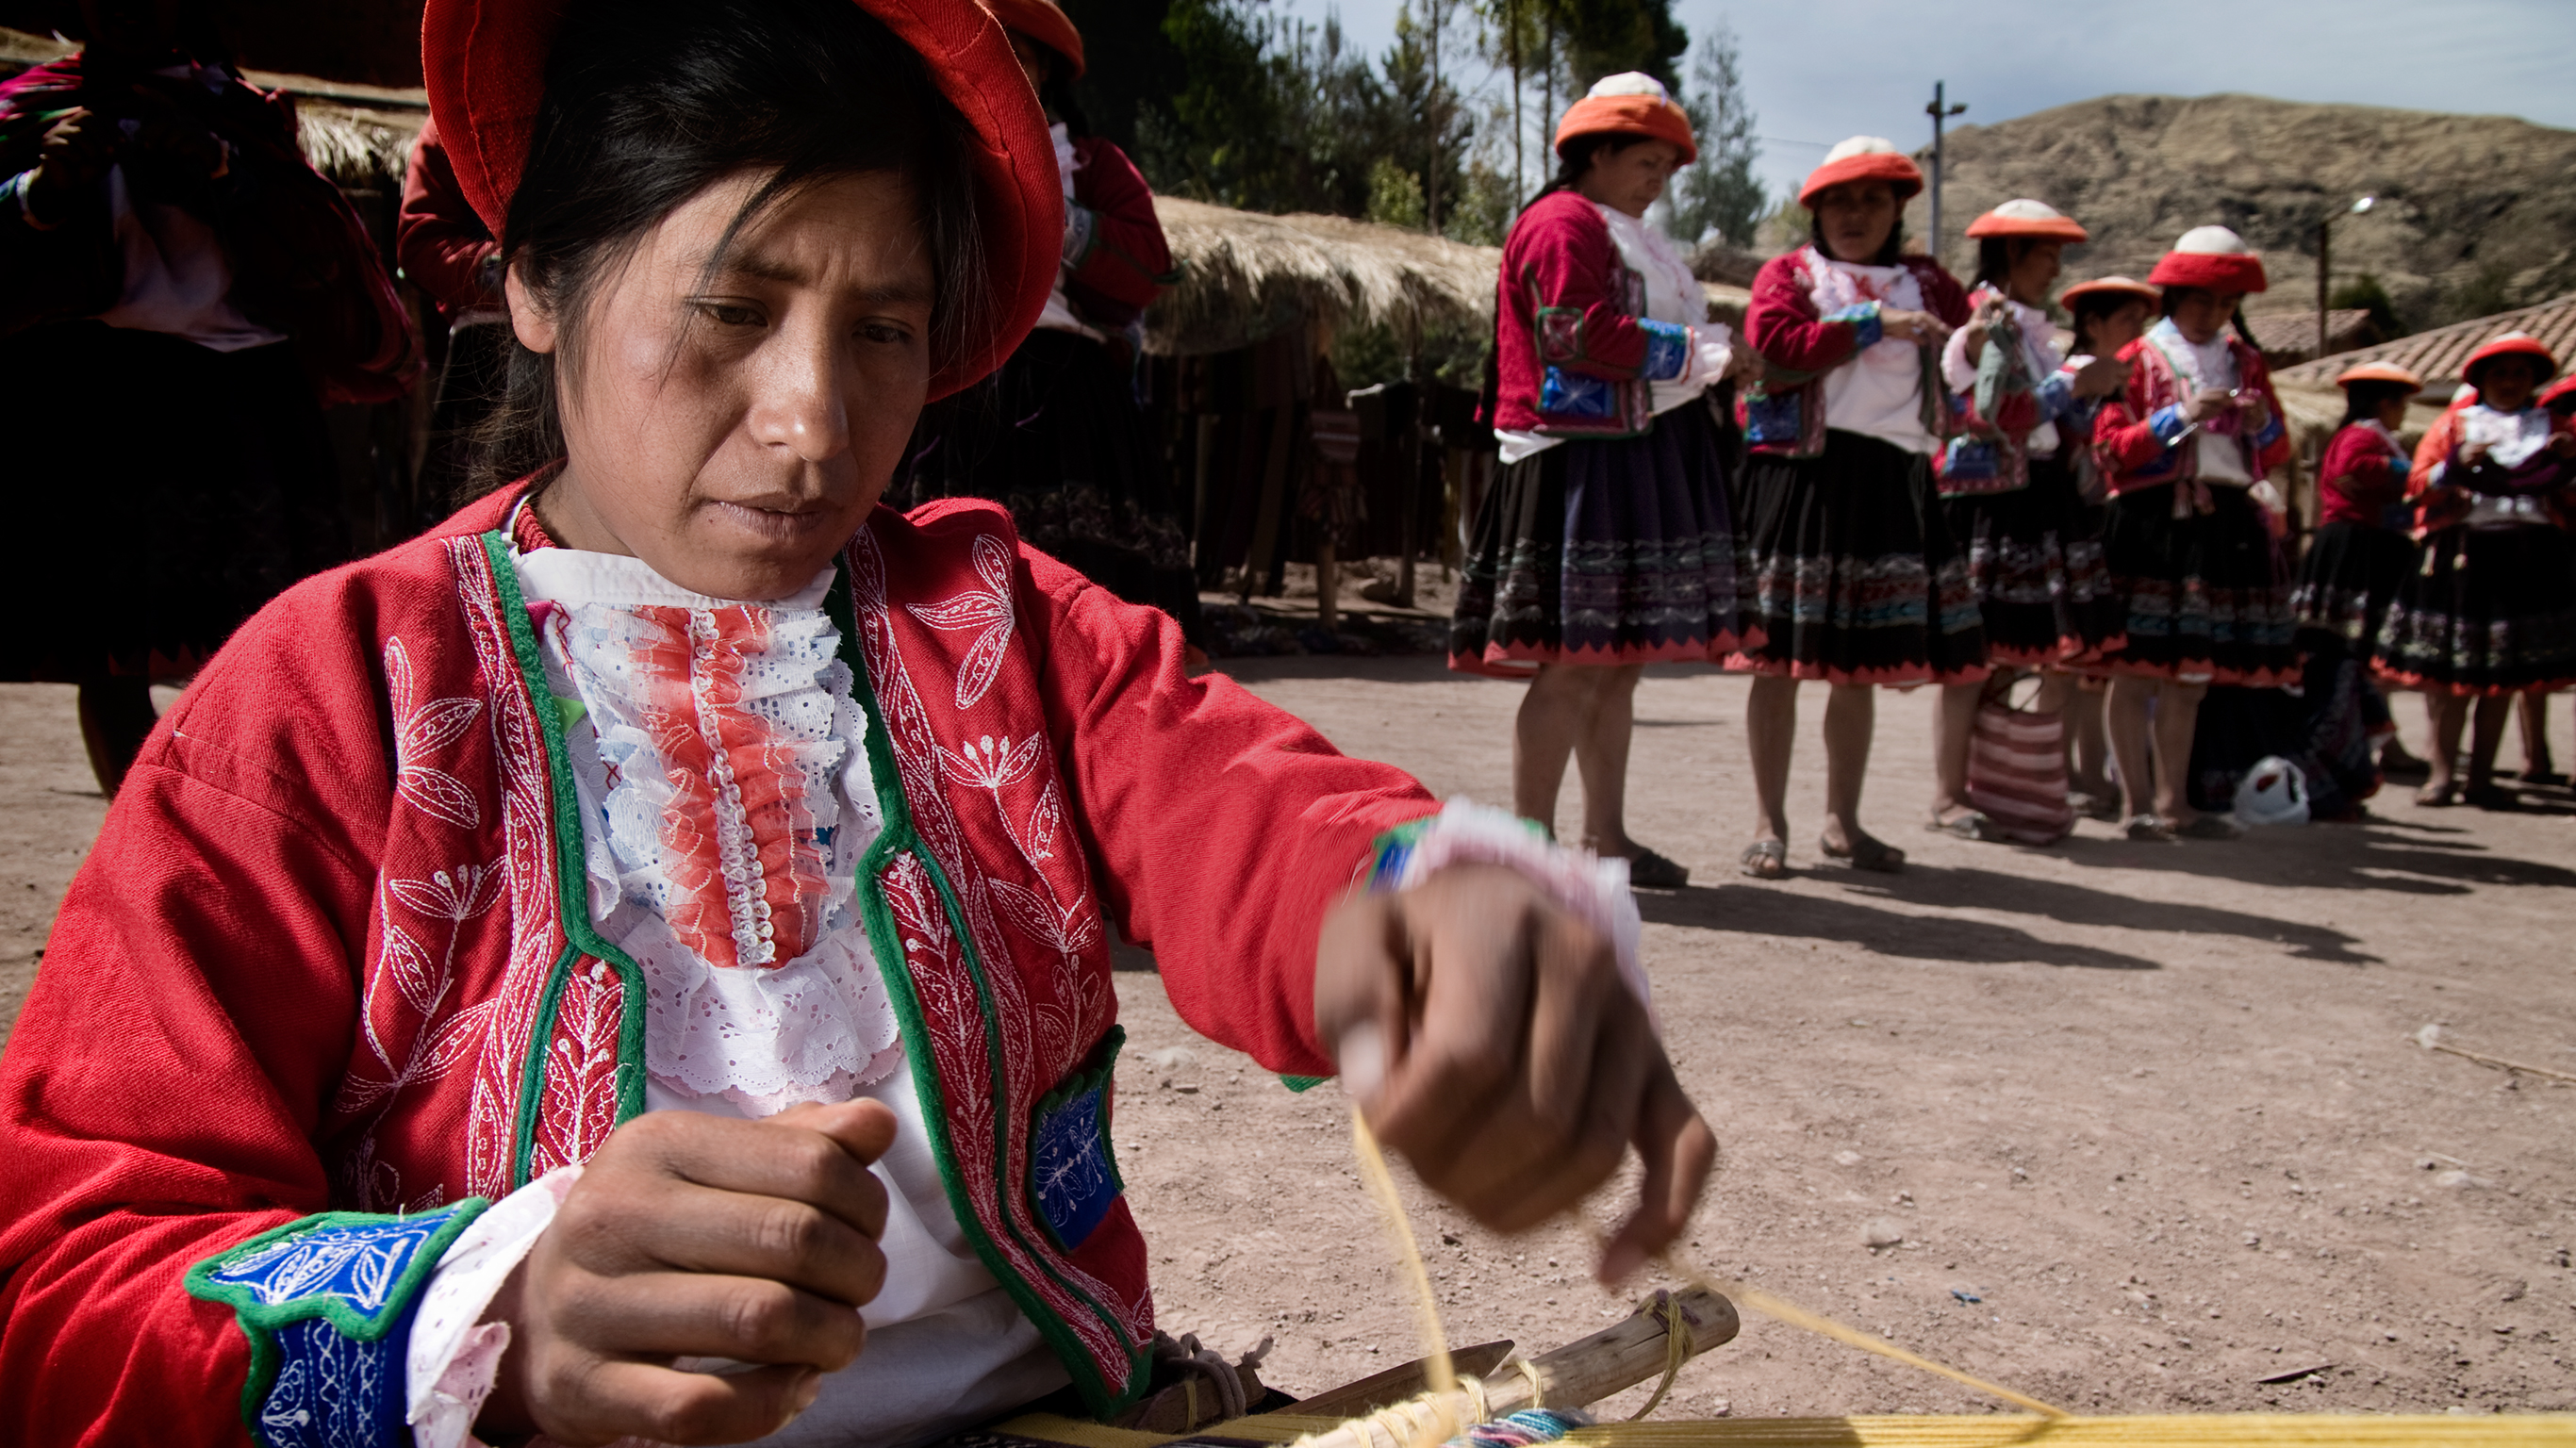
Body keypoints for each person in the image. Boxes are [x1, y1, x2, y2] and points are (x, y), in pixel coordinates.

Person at [0, 4, 1718, 1446]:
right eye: (733, 312)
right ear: (534, 283)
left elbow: (1249, 808)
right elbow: (65, 1268)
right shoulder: (337, 694)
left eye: (882, 329)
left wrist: (1432, 928)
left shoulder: (996, 627)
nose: (816, 421)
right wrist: (490, 1309)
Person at [0, 0, 416, 795]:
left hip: (238, 402)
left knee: (261, 639)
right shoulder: (33, 110)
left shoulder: (240, 116)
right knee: (112, 646)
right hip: (92, 399)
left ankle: (241, 825)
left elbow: (318, 254)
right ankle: (143, 840)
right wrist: (39, 192)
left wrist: (223, 173)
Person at [1450, 74, 1741, 888]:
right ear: (1597, 154)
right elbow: (1574, 333)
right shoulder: (1562, 222)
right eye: (1645, 162)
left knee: (1618, 658)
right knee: (1575, 659)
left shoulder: (1627, 233)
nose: (1658, 180)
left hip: (1632, 450)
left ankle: (1605, 836)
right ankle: (1528, 848)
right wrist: (1703, 353)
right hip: (1575, 459)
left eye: (1666, 168)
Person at [898, 0, 1203, 650]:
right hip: (953, 383)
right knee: (934, 582)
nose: (1001, 69)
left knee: (1084, 595)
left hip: (1066, 394)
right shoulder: (917, 148)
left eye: (1019, 56)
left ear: (1043, 74)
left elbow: (1150, 267)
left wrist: (1053, 211)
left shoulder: (1094, 166)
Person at [1728, 136, 1981, 878]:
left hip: (1890, 481)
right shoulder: (1791, 275)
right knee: (1775, 662)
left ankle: (1844, 820)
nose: (1854, 213)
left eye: (1873, 199)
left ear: (1900, 208)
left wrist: (1980, 340)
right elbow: (1775, 346)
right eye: (1839, 199)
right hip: (1804, 477)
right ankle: (1768, 824)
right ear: (1816, 210)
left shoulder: (1930, 286)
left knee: (1858, 667)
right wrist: (1875, 324)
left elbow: (1965, 362)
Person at [1924, 201, 2131, 840]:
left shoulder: (2028, 330)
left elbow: (2042, 423)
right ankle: (1948, 795)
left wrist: (2080, 398)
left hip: (2036, 500)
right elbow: (1991, 413)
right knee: (1976, 657)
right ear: (2012, 253)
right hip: (1994, 506)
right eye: (2046, 255)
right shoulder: (1985, 327)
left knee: (2017, 654)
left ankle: (1999, 787)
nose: (2054, 269)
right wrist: (2073, 385)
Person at [2087, 226, 2295, 841]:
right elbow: (2109, 449)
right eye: (2203, 298)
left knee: (2192, 676)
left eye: (2227, 302)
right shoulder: (2137, 360)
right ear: (2176, 295)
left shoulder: (2247, 362)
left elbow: (2276, 448)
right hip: (2151, 523)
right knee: (2137, 670)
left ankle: (2177, 803)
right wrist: (2180, 416)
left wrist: (2257, 423)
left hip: (2223, 522)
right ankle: (2136, 804)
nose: (2214, 313)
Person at [2377, 333, 2576, 809]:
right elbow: (2418, 484)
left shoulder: (2552, 428)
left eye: (2521, 374)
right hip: (2465, 556)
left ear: (2533, 381)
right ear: (2483, 379)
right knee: (2453, 677)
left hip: (2529, 555)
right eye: (2500, 373)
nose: (2510, 382)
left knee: (2503, 676)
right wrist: (2455, 466)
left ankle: (2481, 778)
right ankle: (2442, 774)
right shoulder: (2455, 425)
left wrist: (2569, 462)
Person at [2052, 275, 2160, 817]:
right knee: (2067, 664)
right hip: (2062, 522)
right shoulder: (2069, 379)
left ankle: (2089, 772)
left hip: (2096, 526)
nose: (2136, 333)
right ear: (2092, 324)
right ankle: (2062, 770)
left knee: (2093, 667)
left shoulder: (2120, 382)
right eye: (2126, 322)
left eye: (2141, 324)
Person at [401, 115, 511, 519]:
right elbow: (420, 244)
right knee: (470, 513)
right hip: (486, 357)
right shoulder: (454, 125)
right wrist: (513, 270)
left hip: (596, 345)